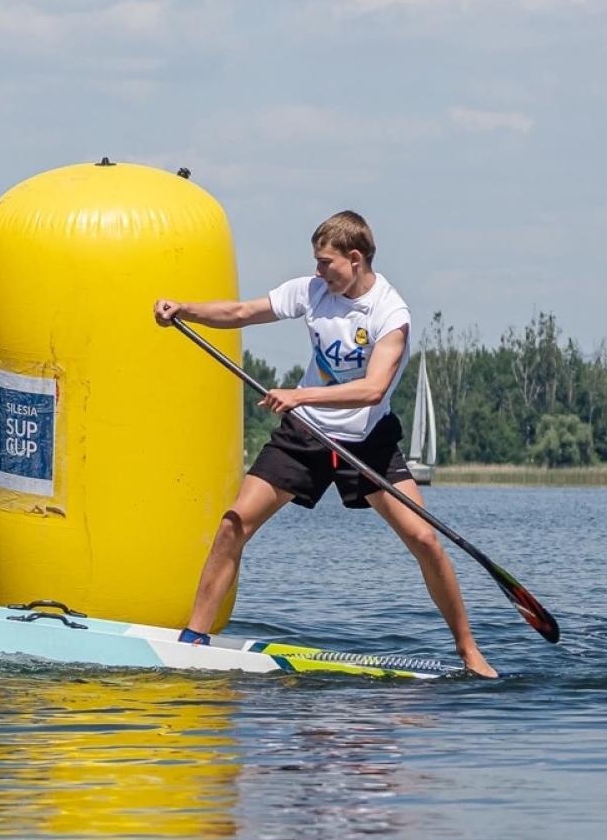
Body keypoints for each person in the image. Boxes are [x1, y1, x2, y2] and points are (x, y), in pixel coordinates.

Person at [153, 210, 498, 678]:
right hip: (305, 434)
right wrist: (185, 309)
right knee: (235, 522)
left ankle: (468, 651)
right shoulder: (313, 291)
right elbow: (240, 313)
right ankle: (194, 639)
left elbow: (373, 389)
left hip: (366, 439)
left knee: (424, 540)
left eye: (325, 263)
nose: (318, 272)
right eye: (316, 263)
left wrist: (299, 394)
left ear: (354, 259)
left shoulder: (390, 314)